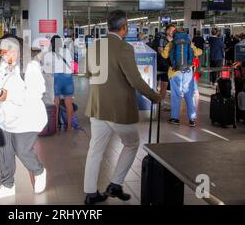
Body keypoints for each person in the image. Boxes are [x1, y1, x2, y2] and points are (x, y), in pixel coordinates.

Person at [83, 10, 161, 205]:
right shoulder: (124, 48)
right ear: (124, 26)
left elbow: (87, 74)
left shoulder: (94, 46)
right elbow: (135, 80)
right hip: (117, 110)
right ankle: (115, 184)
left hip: (96, 106)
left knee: (95, 150)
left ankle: (91, 193)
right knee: (132, 143)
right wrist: (153, 96)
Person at [0, 37, 47, 200]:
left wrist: (9, 95)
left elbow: (36, 92)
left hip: (25, 119)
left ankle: (38, 170)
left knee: (22, 150)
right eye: (0, 52)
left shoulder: (30, 66)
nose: (1, 55)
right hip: (4, 118)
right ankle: (7, 185)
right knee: (4, 152)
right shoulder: (2, 66)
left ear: (14, 50)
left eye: (3, 52)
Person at [161, 27, 203, 127]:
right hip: (188, 71)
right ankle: (192, 119)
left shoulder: (171, 43)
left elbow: (164, 55)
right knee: (189, 94)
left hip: (174, 72)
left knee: (176, 95)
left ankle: (175, 118)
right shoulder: (189, 43)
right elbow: (198, 52)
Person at [42, 35, 75, 130]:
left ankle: (55, 126)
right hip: (67, 77)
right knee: (68, 102)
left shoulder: (48, 54)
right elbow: (72, 64)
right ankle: (69, 127)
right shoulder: (67, 51)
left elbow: (46, 69)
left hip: (56, 78)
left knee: (55, 102)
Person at [153, 24, 176, 110]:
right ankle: (154, 100)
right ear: (167, 31)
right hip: (159, 63)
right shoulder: (162, 39)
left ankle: (161, 102)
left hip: (168, 65)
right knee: (155, 83)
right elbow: (160, 50)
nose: (173, 32)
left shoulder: (174, 40)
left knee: (164, 84)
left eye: (174, 30)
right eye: (172, 30)